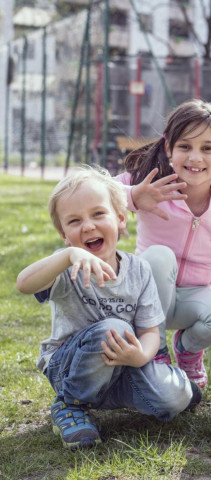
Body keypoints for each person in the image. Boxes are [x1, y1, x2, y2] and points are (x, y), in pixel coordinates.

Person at [16, 166, 201, 450]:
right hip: (70, 367)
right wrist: (67, 256)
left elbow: (151, 330)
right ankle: (70, 403)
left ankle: (177, 386)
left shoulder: (138, 270)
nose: (88, 226)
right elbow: (24, 284)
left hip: (123, 367)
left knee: (173, 398)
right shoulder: (66, 266)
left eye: (98, 214)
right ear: (65, 236)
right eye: (74, 221)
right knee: (115, 329)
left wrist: (141, 356)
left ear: (121, 219)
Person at [117, 99, 211, 388]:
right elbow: (95, 190)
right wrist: (134, 196)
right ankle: (155, 351)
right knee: (159, 257)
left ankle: (187, 349)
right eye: (185, 146)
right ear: (168, 148)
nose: (195, 157)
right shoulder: (151, 184)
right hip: (146, 297)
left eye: (207, 148)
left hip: (198, 297)